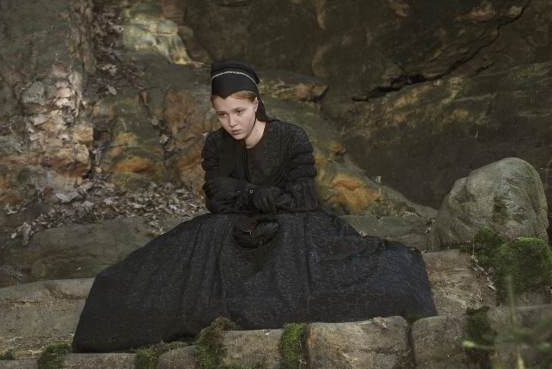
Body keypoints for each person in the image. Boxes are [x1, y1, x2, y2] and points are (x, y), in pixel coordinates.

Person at [71, 60, 437, 352]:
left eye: (239, 111)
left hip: (292, 228)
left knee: (345, 280)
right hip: (232, 231)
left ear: (256, 104)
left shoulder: (291, 137)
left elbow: (303, 199)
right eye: (222, 114)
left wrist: (246, 194)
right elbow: (216, 200)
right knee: (139, 280)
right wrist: (254, 193)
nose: (231, 122)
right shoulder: (217, 145)